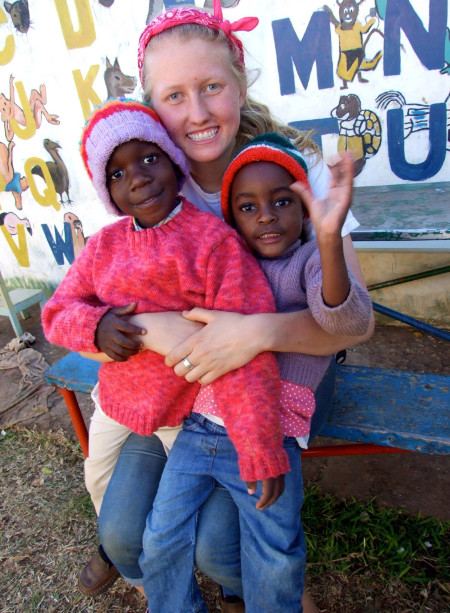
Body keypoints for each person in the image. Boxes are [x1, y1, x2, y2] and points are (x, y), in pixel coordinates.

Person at [80, 2, 374, 611]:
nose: (197, 114)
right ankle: (139, 563)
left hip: (264, 379)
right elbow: (81, 308)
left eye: (212, 87)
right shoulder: (142, 171)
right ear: (149, 107)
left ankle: (244, 587)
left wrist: (253, 333)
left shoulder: (289, 168)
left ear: (238, 78)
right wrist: (140, 328)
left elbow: (348, 323)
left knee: (218, 546)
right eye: (174, 97)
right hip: (163, 383)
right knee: (122, 527)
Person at [139, 133, 372, 612]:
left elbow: (345, 321)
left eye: (282, 201)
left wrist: (329, 242)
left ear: (305, 211)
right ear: (231, 221)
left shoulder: (309, 262)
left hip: (272, 436)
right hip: (199, 426)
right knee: (160, 540)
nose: (265, 215)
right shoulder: (223, 263)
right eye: (247, 207)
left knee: (274, 554)